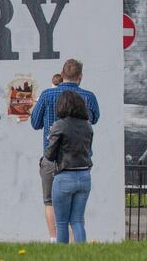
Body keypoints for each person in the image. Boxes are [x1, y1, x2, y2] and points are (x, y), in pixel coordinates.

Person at [30, 59, 99, 242]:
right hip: (81, 163)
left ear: (62, 73)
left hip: (53, 159)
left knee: (50, 201)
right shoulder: (89, 98)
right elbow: (95, 119)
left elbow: (35, 123)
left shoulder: (47, 95)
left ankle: (55, 241)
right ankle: (79, 249)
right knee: (77, 218)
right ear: (80, 76)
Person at [44, 90, 94, 243]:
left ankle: (63, 256)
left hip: (65, 176)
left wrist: (50, 136)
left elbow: (49, 155)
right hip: (84, 176)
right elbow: (89, 151)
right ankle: (82, 255)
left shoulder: (60, 125)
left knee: (61, 223)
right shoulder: (87, 126)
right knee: (77, 220)